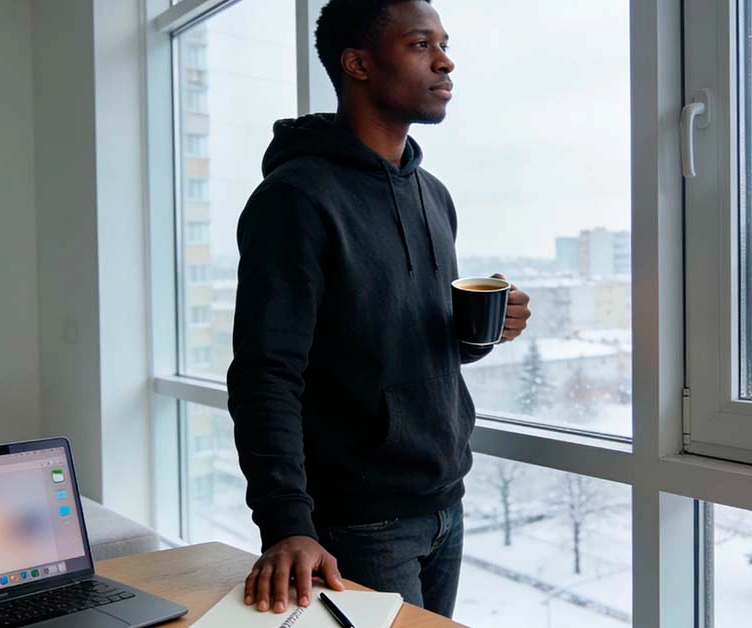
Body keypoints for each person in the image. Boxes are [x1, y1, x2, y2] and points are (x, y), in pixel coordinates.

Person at [227, 0, 531, 618]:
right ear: (358, 64)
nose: (445, 61)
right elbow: (265, 375)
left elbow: (405, 346)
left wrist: (483, 332)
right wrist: (286, 523)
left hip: (446, 503)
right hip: (359, 525)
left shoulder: (433, 196)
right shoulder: (294, 200)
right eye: (421, 45)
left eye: (444, 44)